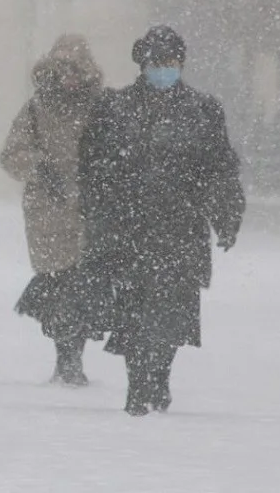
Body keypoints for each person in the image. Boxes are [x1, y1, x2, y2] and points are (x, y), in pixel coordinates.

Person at [78, 25, 245, 416]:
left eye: (170, 61)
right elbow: (92, 168)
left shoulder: (203, 110)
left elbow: (221, 168)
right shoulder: (113, 108)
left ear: (181, 63)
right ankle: (139, 383)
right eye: (156, 62)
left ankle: (159, 376)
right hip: (129, 229)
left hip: (180, 229)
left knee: (170, 313)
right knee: (134, 313)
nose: (163, 69)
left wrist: (227, 214)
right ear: (142, 63)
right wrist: (98, 213)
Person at [0, 35, 104, 386]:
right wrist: (40, 168)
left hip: (90, 212)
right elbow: (11, 155)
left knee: (82, 288)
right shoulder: (35, 109)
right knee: (58, 286)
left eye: (76, 70)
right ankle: (65, 356)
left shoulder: (101, 107)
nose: (69, 77)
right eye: (63, 70)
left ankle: (72, 358)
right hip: (48, 212)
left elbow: (120, 152)